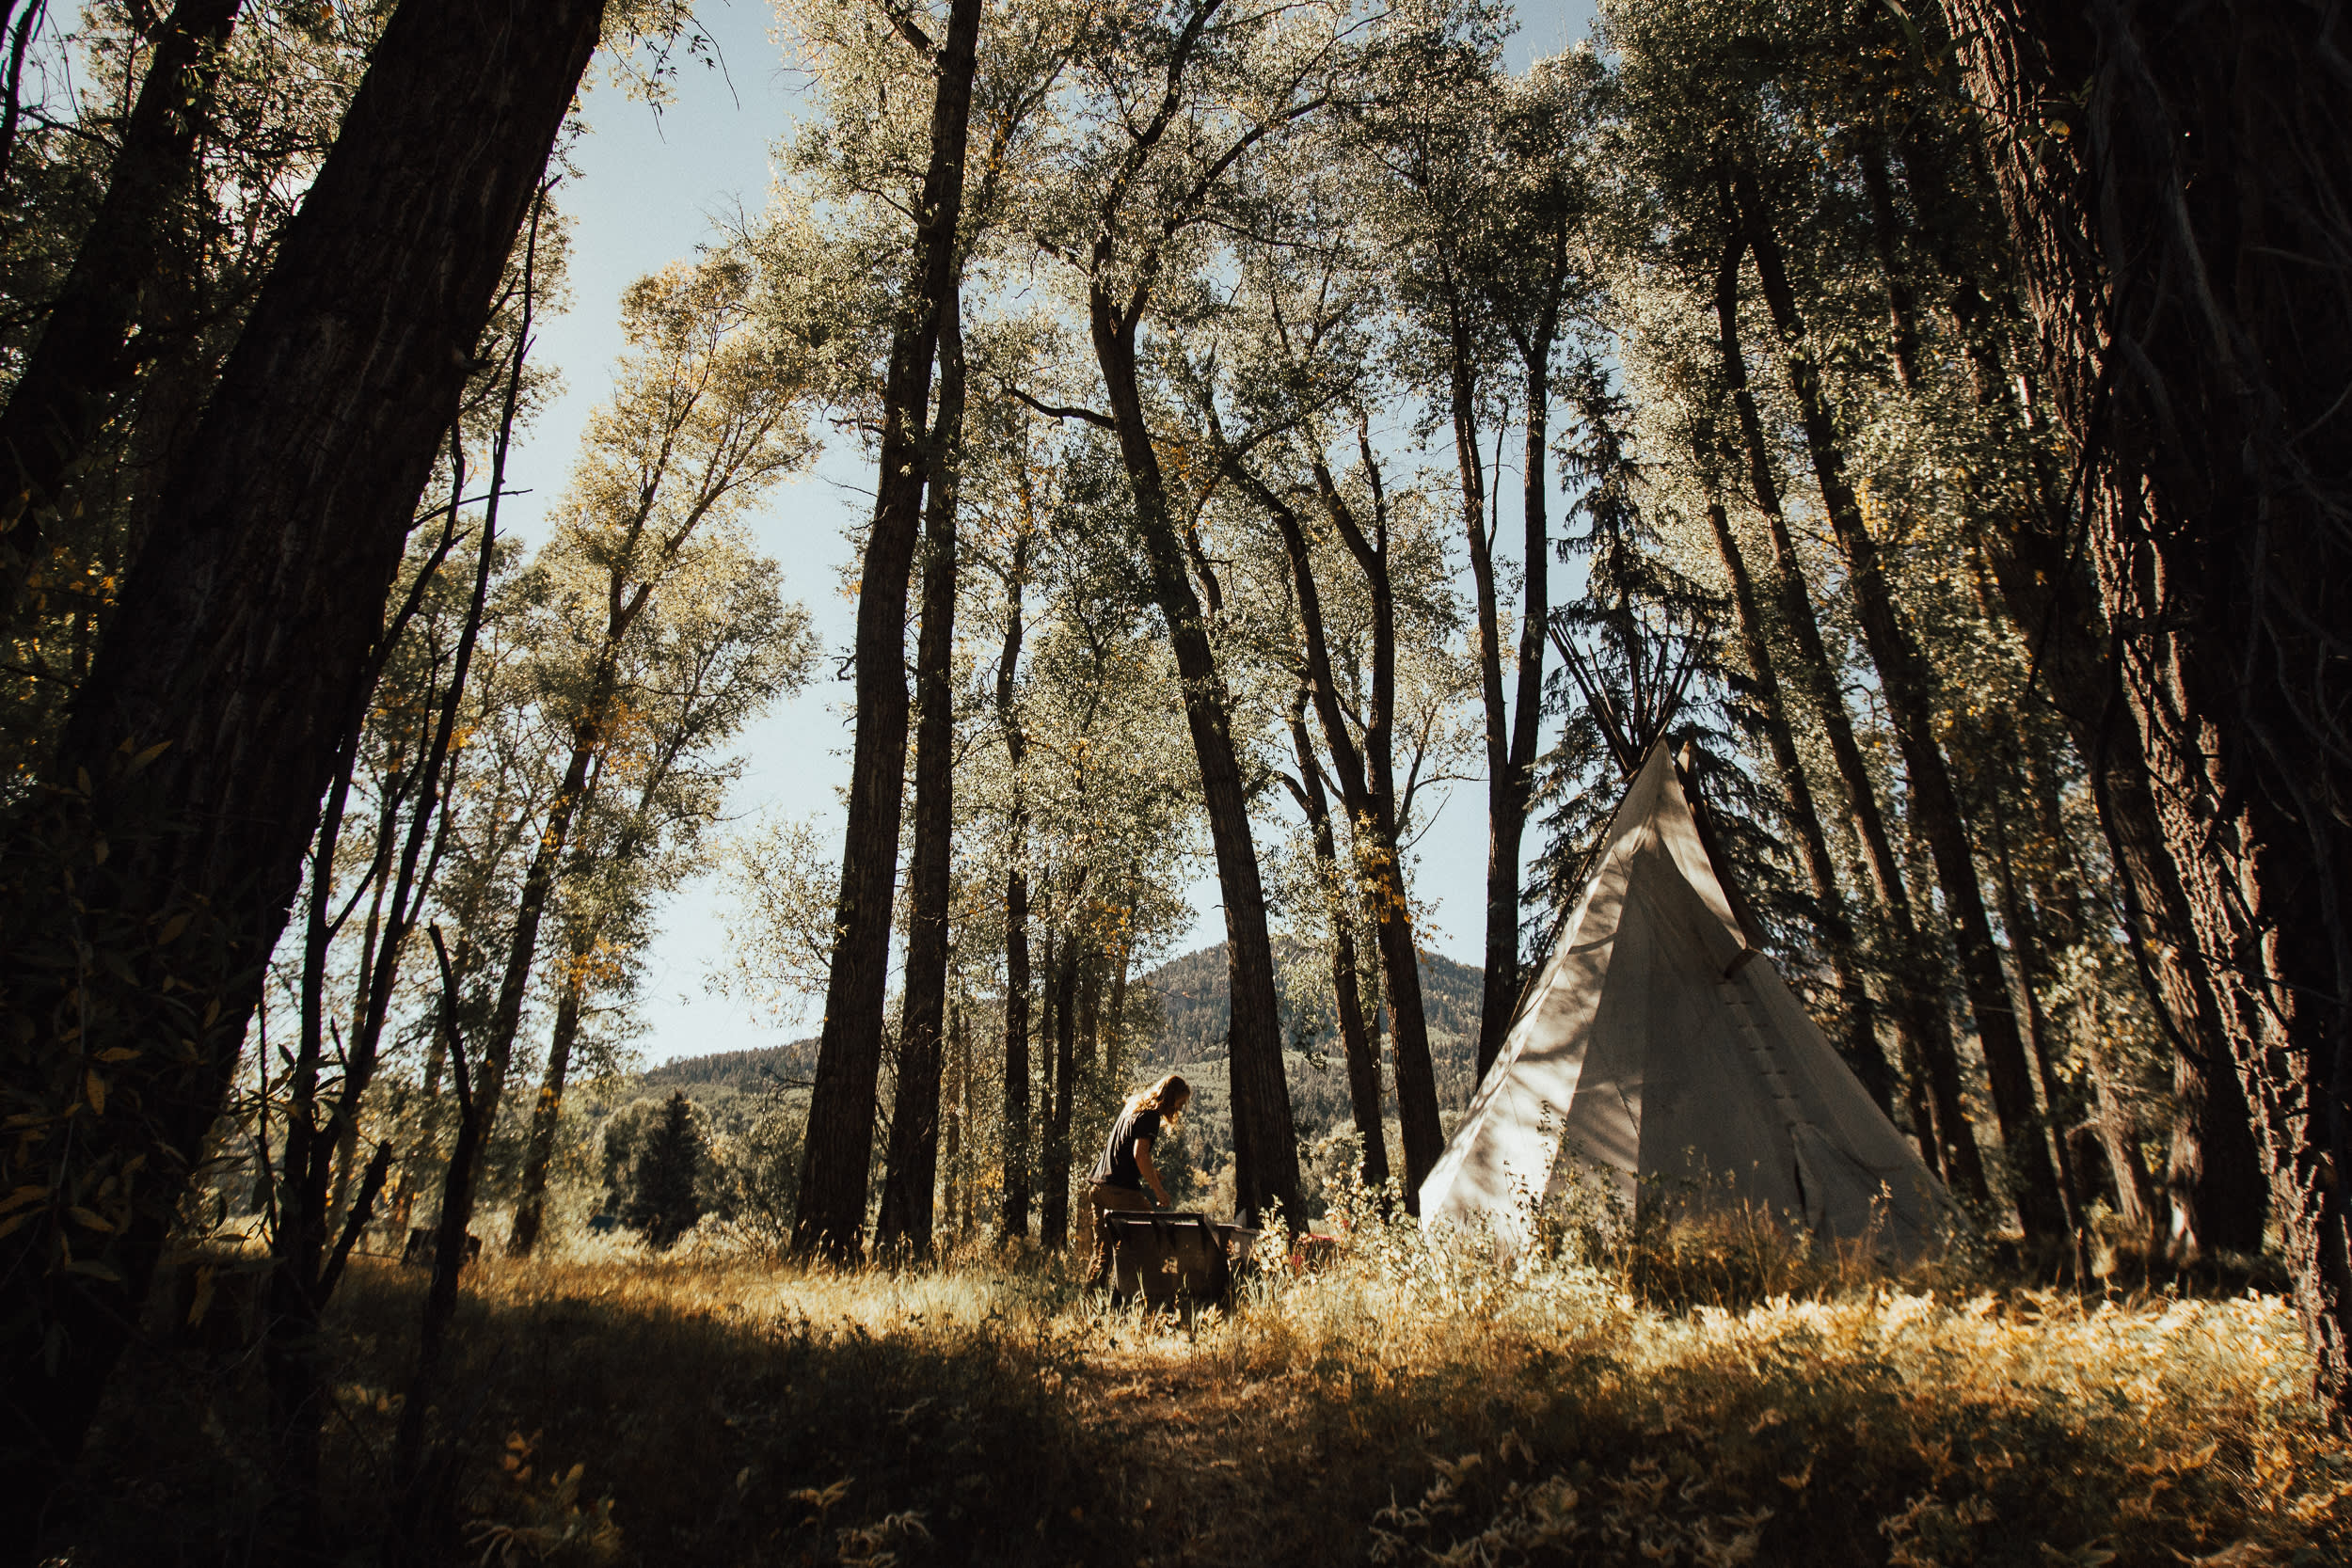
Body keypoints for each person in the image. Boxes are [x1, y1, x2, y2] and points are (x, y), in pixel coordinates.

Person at [1084, 1073, 1190, 1288]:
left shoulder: (1134, 1107)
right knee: (1149, 1240)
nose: (1179, 1110)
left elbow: (1126, 1153)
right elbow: (1140, 1155)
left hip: (1098, 1187)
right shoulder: (1151, 1115)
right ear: (1169, 1099)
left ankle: (1091, 1307)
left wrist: (1151, 1172)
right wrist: (1159, 1191)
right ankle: (1148, 1297)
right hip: (1119, 1190)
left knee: (1102, 1253)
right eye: (1179, 1104)